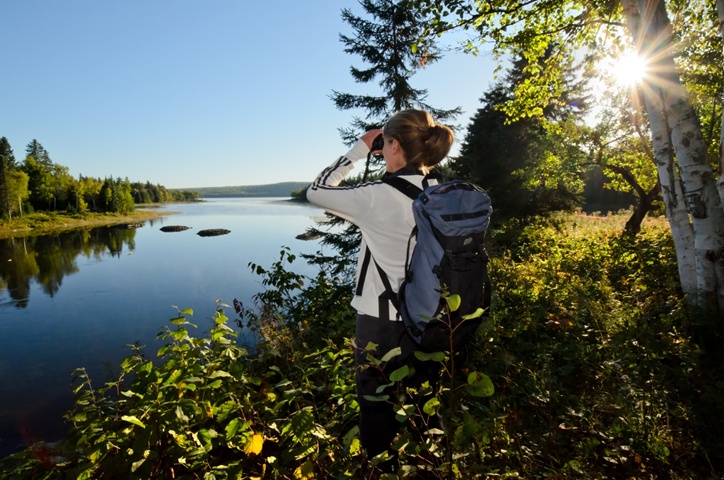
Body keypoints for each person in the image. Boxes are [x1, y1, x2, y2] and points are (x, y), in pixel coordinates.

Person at [306, 109, 455, 473]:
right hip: (430, 320)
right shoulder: (442, 194)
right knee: (424, 405)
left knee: (376, 408)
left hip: (379, 323)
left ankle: (380, 469)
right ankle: (429, 468)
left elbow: (316, 191)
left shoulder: (376, 195)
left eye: (386, 144)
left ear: (393, 146)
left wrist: (358, 149)